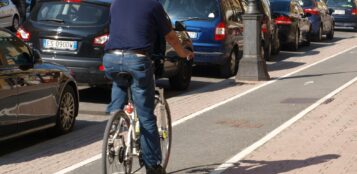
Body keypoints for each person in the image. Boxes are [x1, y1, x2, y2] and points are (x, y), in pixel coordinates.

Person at [103, 0, 194, 173]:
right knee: (146, 117)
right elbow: (171, 37)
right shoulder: (152, 5)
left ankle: (115, 120)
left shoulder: (116, 3)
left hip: (111, 59)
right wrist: (183, 53)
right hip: (137, 60)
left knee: (119, 81)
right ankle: (153, 166)